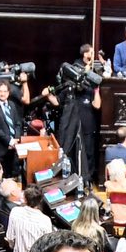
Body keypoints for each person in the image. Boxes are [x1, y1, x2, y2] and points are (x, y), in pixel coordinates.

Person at [47, 42, 103, 183]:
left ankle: (88, 179)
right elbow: (58, 102)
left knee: (89, 152)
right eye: (91, 52)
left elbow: (97, 105)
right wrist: (47, 95)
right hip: (72, 125)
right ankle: (70, 177)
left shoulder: (90, 85)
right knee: (71, 151)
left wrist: (96, 90)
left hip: (88, 125)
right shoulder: (69, 86)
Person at [2, 180, 54, 252]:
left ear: (25, 199)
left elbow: (10, 239)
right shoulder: (45, 220)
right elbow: (47, 248)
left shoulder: (15, 212)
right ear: (40, 200)